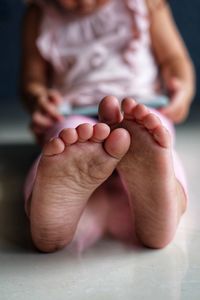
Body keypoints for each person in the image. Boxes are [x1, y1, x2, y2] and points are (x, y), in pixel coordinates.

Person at [21, 0, 195, 253]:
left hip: (140, 109)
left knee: (156, 140)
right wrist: (39, 98)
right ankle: (48, 214)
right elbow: (31, 80)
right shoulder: (40, 14)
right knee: (60, 143)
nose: (84, 2)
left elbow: (174, 58)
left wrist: (183, 89)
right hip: (74, 113)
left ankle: (166, 200)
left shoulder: (146, 4)